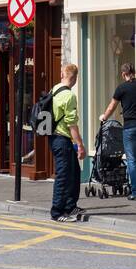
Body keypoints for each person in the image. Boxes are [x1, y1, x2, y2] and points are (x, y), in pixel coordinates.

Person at [99, 63, 136, 200]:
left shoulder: (122, 88)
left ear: (124, 74)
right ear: (134, 72)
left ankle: (135, 192)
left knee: (132, 160)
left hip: (131, 127)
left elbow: (112, 106)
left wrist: (104, 117)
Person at [49, 63, 86, 222]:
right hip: (62, 138)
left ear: (63, 75)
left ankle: (71, 205)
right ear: (75, 78)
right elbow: (72, 123)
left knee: (74, 171)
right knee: (63, 176)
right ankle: (57, 212)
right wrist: (80, 145)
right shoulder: (69, 96)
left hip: (54, 137)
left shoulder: (55, 89)